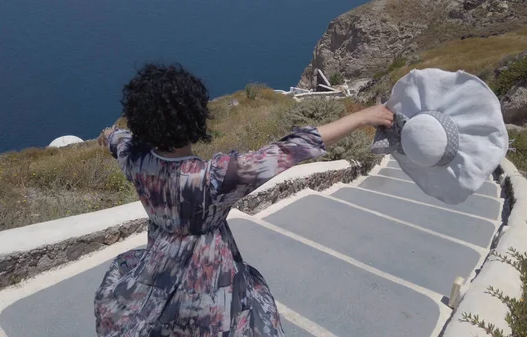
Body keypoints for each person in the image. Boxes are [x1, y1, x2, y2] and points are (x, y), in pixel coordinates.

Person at [94, 63, 393, 337]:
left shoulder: (132, 159)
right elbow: (293, 148)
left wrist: (107, 135)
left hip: (159, 262)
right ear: (195, 116)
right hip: (211, 277)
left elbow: (117, 138)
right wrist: (363, 116)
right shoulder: (214, 178)